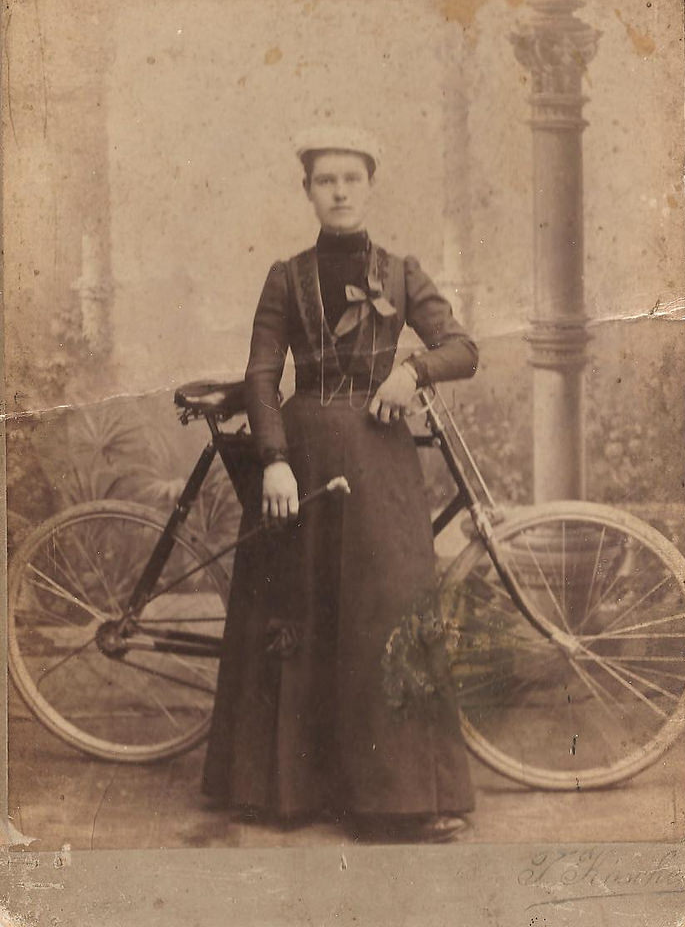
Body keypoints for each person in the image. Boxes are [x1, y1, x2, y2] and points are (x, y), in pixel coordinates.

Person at [202, 127, 479, 842]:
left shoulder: (400, 271)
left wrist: (410, 370)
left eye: (351, 178)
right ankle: (287, 791)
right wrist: (272, 459)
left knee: (383, 613)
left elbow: (461, 348)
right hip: (301, 453)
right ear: (308, 192)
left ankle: (397, 799)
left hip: (380, 458)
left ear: (370, 184)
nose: (339, 191)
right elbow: (263, 373)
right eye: (325, 180)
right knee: (296, 612)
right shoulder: (285, 275)